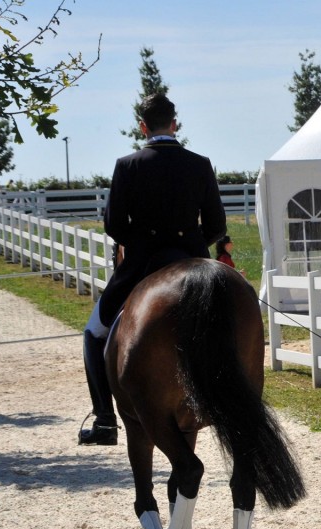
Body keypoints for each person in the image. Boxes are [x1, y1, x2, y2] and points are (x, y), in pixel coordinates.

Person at [78, 93, 227, 446]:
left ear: (142, 127)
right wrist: (192, 243)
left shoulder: (127, 165)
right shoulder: (200, 163)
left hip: (143, 260)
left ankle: (104, 421)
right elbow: (218, 226)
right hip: (191, 257)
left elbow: (114, 224)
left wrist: (145, 243)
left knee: (94, 332)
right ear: (174, 124)